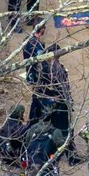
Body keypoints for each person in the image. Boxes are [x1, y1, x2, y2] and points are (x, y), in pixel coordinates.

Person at [23, 26, 75, 158]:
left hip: (42, 99)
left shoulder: (40, 65)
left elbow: (36, 81)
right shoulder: (58, 69)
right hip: (57, 102)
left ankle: (33, 148)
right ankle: (70, 155)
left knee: (38, 124)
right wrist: (66, 100)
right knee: (64, 127)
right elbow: (63, 87)